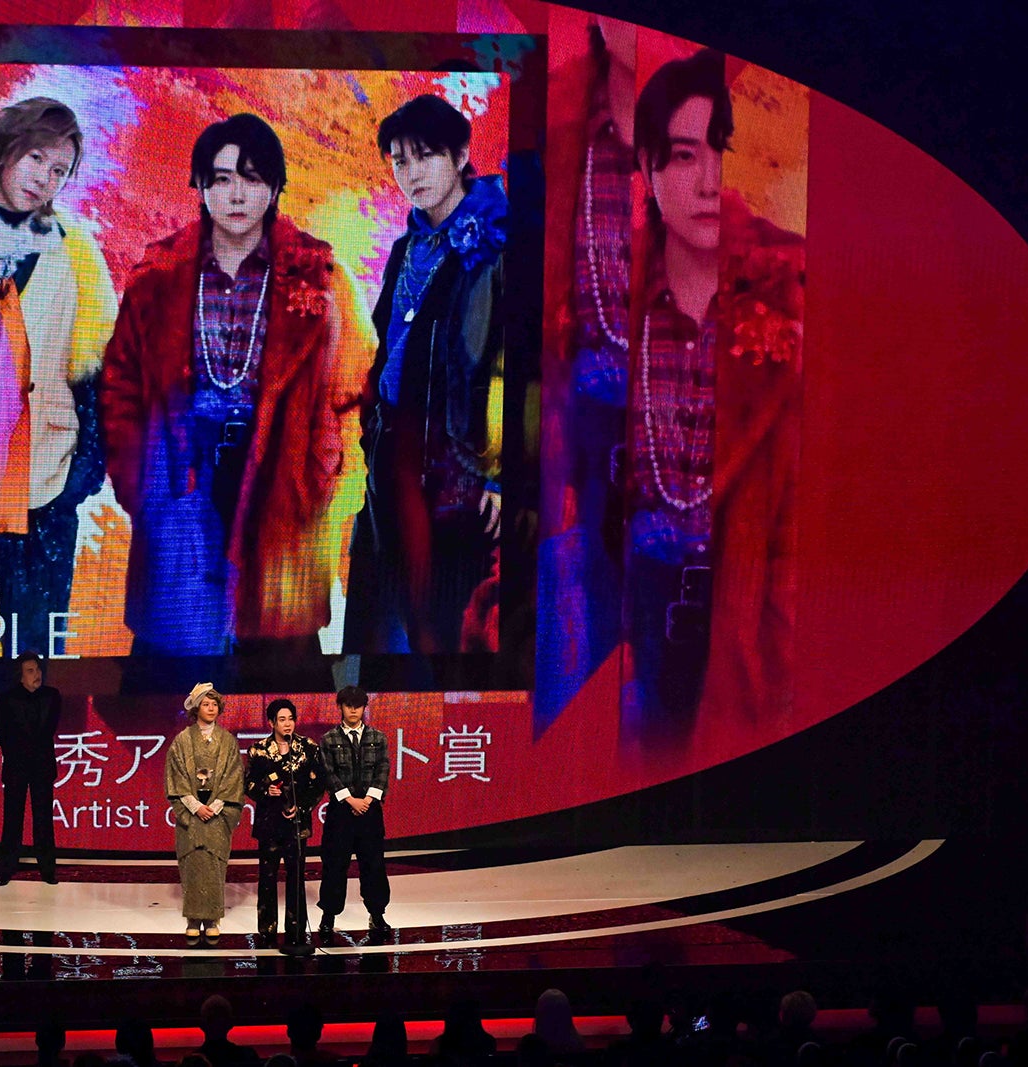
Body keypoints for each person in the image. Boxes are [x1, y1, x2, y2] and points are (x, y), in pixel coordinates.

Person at [102, 112, 373, 668]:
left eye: (251, 178)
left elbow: (350, 394)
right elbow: (118, 388)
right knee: (167, 680)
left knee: (280, 685)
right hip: (181, 483)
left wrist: (314, 482)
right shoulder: (157, 276)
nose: (236, 195)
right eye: (221, 178)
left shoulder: (322, 278)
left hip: (281, 488)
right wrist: (142, 489)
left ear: (274, 187)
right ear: (201, 186)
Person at [623, 48, 803, 744]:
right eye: (683, 155)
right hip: (631, 619)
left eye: (721, 151)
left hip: (744, 629)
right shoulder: (614, 308)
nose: (708, 181)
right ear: (647, 167)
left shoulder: (788, 301)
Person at [0, 97, 118, 661]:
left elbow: (96, 373)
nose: (44, 179)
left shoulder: (77, 253)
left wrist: (80, 478)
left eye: (59, 170)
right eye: (36, 158)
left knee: (37, 660)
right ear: (5, 149)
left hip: (43, 488)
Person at [345, 94, 507, 656]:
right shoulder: (406, 247)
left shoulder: (495, 245)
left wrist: (499, 475)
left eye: (427, 156)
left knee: (437, 628)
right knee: (377, 620)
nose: (411, 173)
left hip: (455, 461)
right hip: (389, 449)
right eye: (400, 160)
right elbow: (379, 347)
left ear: (461, 155)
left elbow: (507, 364)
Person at [536, 16, 637, 727]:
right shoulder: (564, 111)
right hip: (583, 399)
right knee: (582, 582)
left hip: (688, 409)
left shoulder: (716, 121)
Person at [164, 684, 246, 944]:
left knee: (214, 865)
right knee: (192, 864)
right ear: (196, 708)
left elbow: (234, 776)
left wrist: (217, 804)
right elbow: (176, 776)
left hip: (218, 811)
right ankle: (192, 919)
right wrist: (195, 806)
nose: (211, 709)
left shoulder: (228, 741)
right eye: (205, 704)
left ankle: (212, 919)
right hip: (192, 810)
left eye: (214, 705)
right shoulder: (182, 741)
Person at [245, 698, 324, 942]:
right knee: (267, 878)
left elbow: (317, 785)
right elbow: (248, 784)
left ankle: (296, 931)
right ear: (271, 722)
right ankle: (267, 931)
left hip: (296, 824)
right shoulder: (258, 750)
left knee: (296, 877)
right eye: (282, 719)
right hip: (269, 823)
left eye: (291, 719)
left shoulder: (308, 748)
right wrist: (265, 790)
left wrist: (301, 807)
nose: (287, 724)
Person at [316, 685, 390, 940]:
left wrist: (368, 799)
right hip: (341, 813)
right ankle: (328, 916)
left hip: (370, 811)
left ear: (364, 708)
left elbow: (382, 770)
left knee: (374, 865)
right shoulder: (329, 739)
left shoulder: (378, 737)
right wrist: (350, 800)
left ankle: (377, 914)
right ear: (340, 707)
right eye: (349, 706)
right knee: (335, 865)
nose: (353, 710)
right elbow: (328, 774)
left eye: (358, 706)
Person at [0, 651, 61, 885]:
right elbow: (2, 731)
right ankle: (6, 869)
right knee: (12, 819)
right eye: (30, 671)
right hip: (17, 766)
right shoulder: (6, 699)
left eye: (38, 669)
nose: (36, 674)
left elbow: (50, 728)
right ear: (20, 676)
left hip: (42, 765)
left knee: (43, 819)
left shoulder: (52, 696)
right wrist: (18, 754)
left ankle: (48, 869)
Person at [196, 995, 260, 1067]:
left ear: (202, 1025)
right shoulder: (247, 1056)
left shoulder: (193, 1062)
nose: (217, 1024)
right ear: (230, 1024)